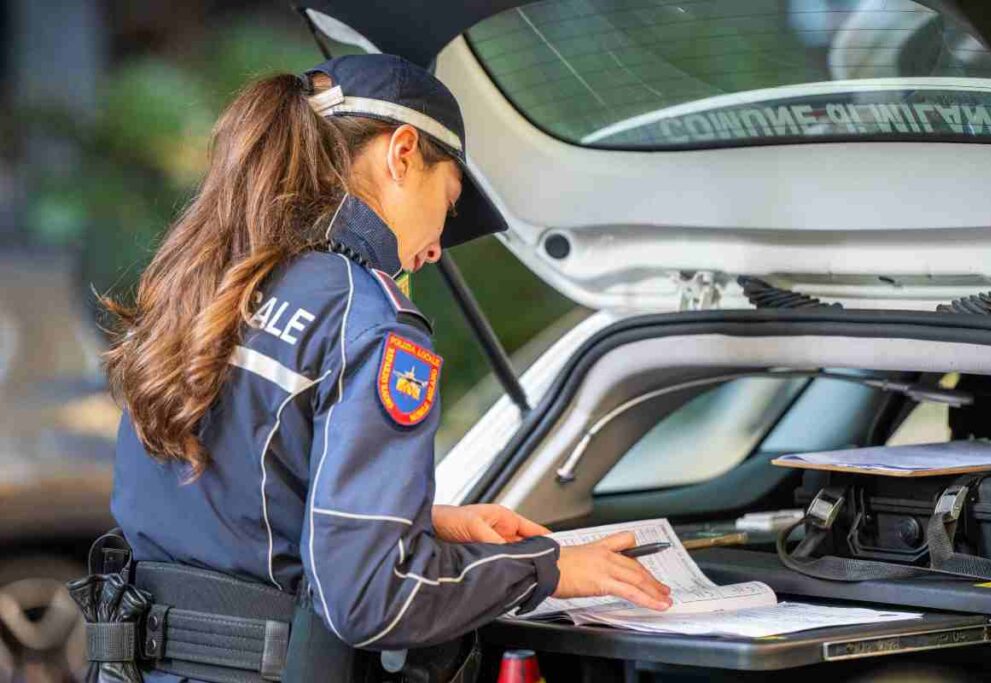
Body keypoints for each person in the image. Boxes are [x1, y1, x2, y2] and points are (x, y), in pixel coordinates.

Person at [96, 53, 670, 681]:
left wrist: (423, 525)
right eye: (448, 206)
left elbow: (232, 502)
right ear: (401, 154)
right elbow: (370, 600)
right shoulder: (364, 316)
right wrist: (549, 569)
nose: (431, 251)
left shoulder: (203, 284)